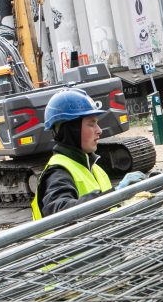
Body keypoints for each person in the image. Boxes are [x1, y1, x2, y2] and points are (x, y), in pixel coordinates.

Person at [31, 88, 145, 220]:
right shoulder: (58, 172)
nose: (99, 130)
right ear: (71, 130)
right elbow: (59, 213)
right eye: (91, 124)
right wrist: (116, 193)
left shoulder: (93, 168)